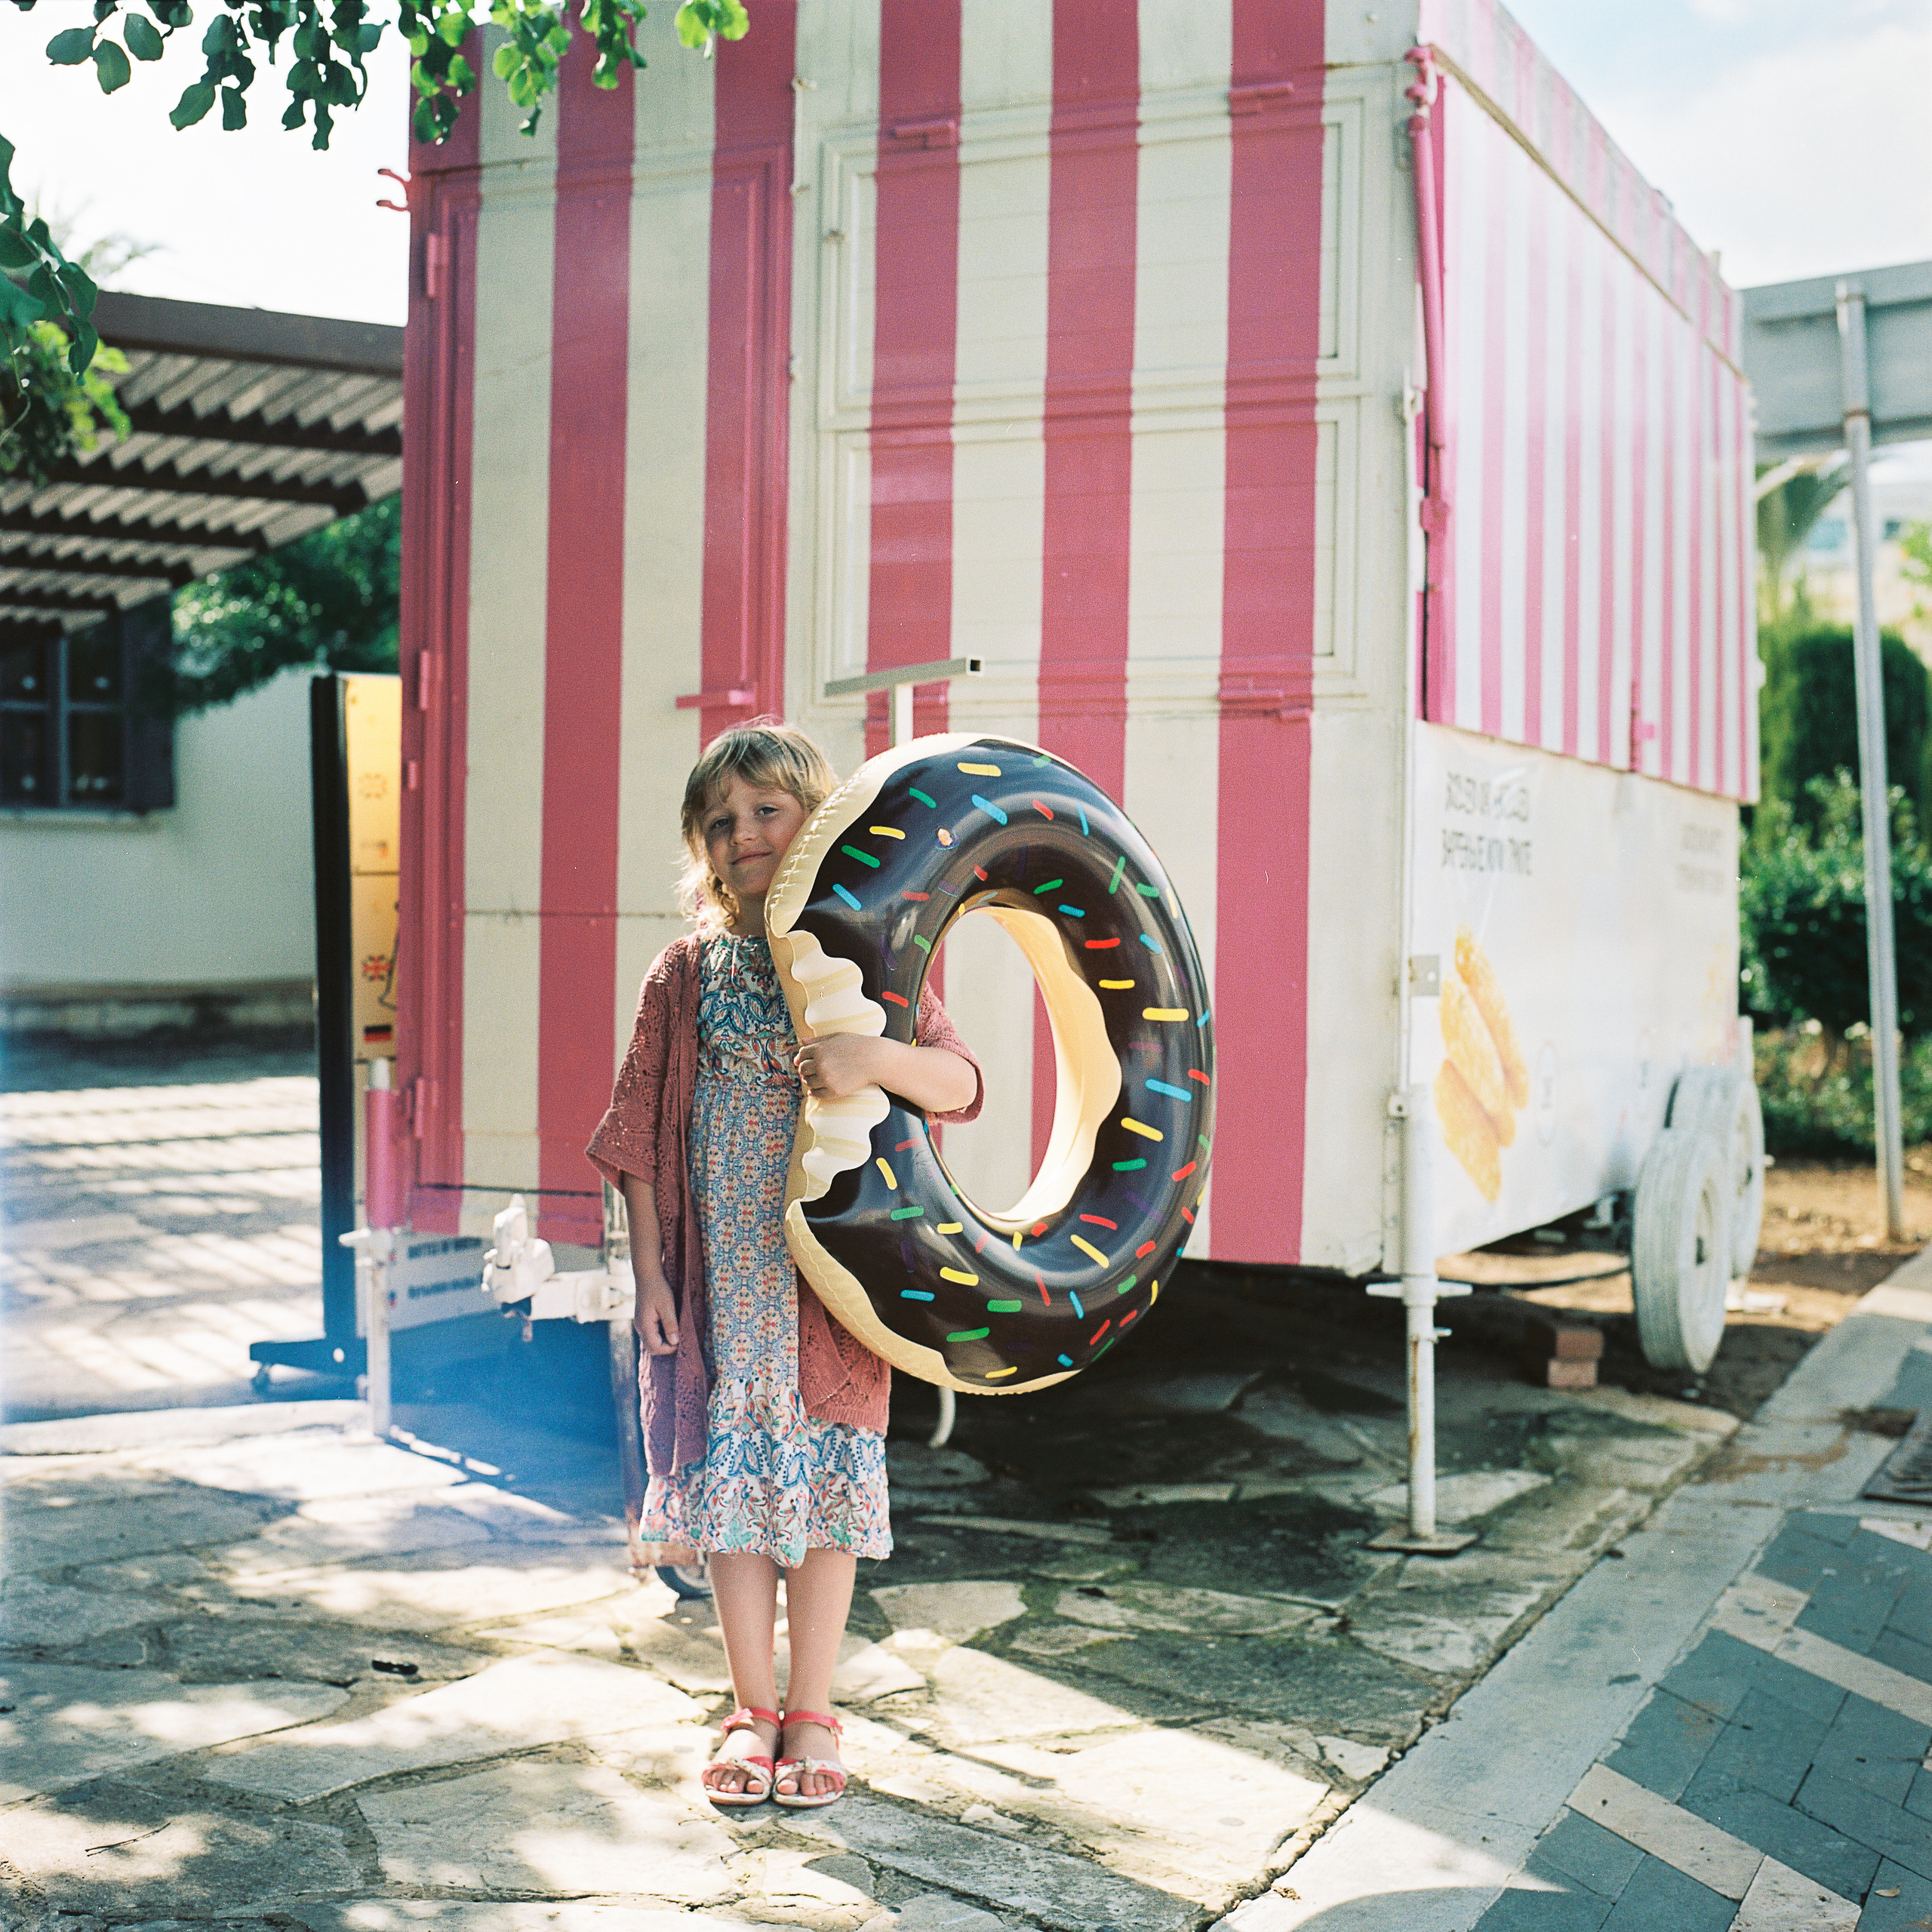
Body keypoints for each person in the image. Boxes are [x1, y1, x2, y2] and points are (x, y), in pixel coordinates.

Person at [587, 721, 981, 1810]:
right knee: (733, 1499)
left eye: (768, 811)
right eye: (721, 822)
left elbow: (956, 1082)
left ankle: (814, 1704)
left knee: (826, 1491)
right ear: (700, 851)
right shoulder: (688, 974)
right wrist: (654, 1279)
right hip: (727, 1292)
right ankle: (749, 1707)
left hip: (831, 1289)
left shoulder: (868, 958)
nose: (744, 834)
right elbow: (639, 1145)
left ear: (821, 825)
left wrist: (876, 1056)